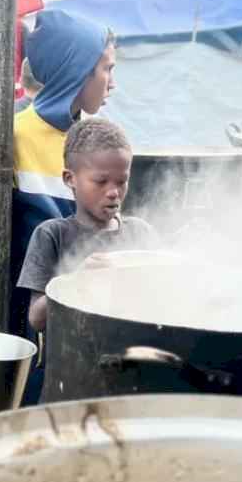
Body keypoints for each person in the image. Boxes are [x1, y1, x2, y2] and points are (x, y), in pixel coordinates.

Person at [0, 9, 115, 404]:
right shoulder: (12, 137)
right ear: (77, 71)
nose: (113, 83)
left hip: (74, 323)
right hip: (17, 324)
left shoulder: (93, 144)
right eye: (106, 69)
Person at [18, 118, 155, 333]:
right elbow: (36, 319)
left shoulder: (140, 233)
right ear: (70, 178)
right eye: (101, 181)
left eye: (122, 181)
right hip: (71, 361)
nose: (113, 192)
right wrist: (76, 281)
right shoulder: (52, 235)